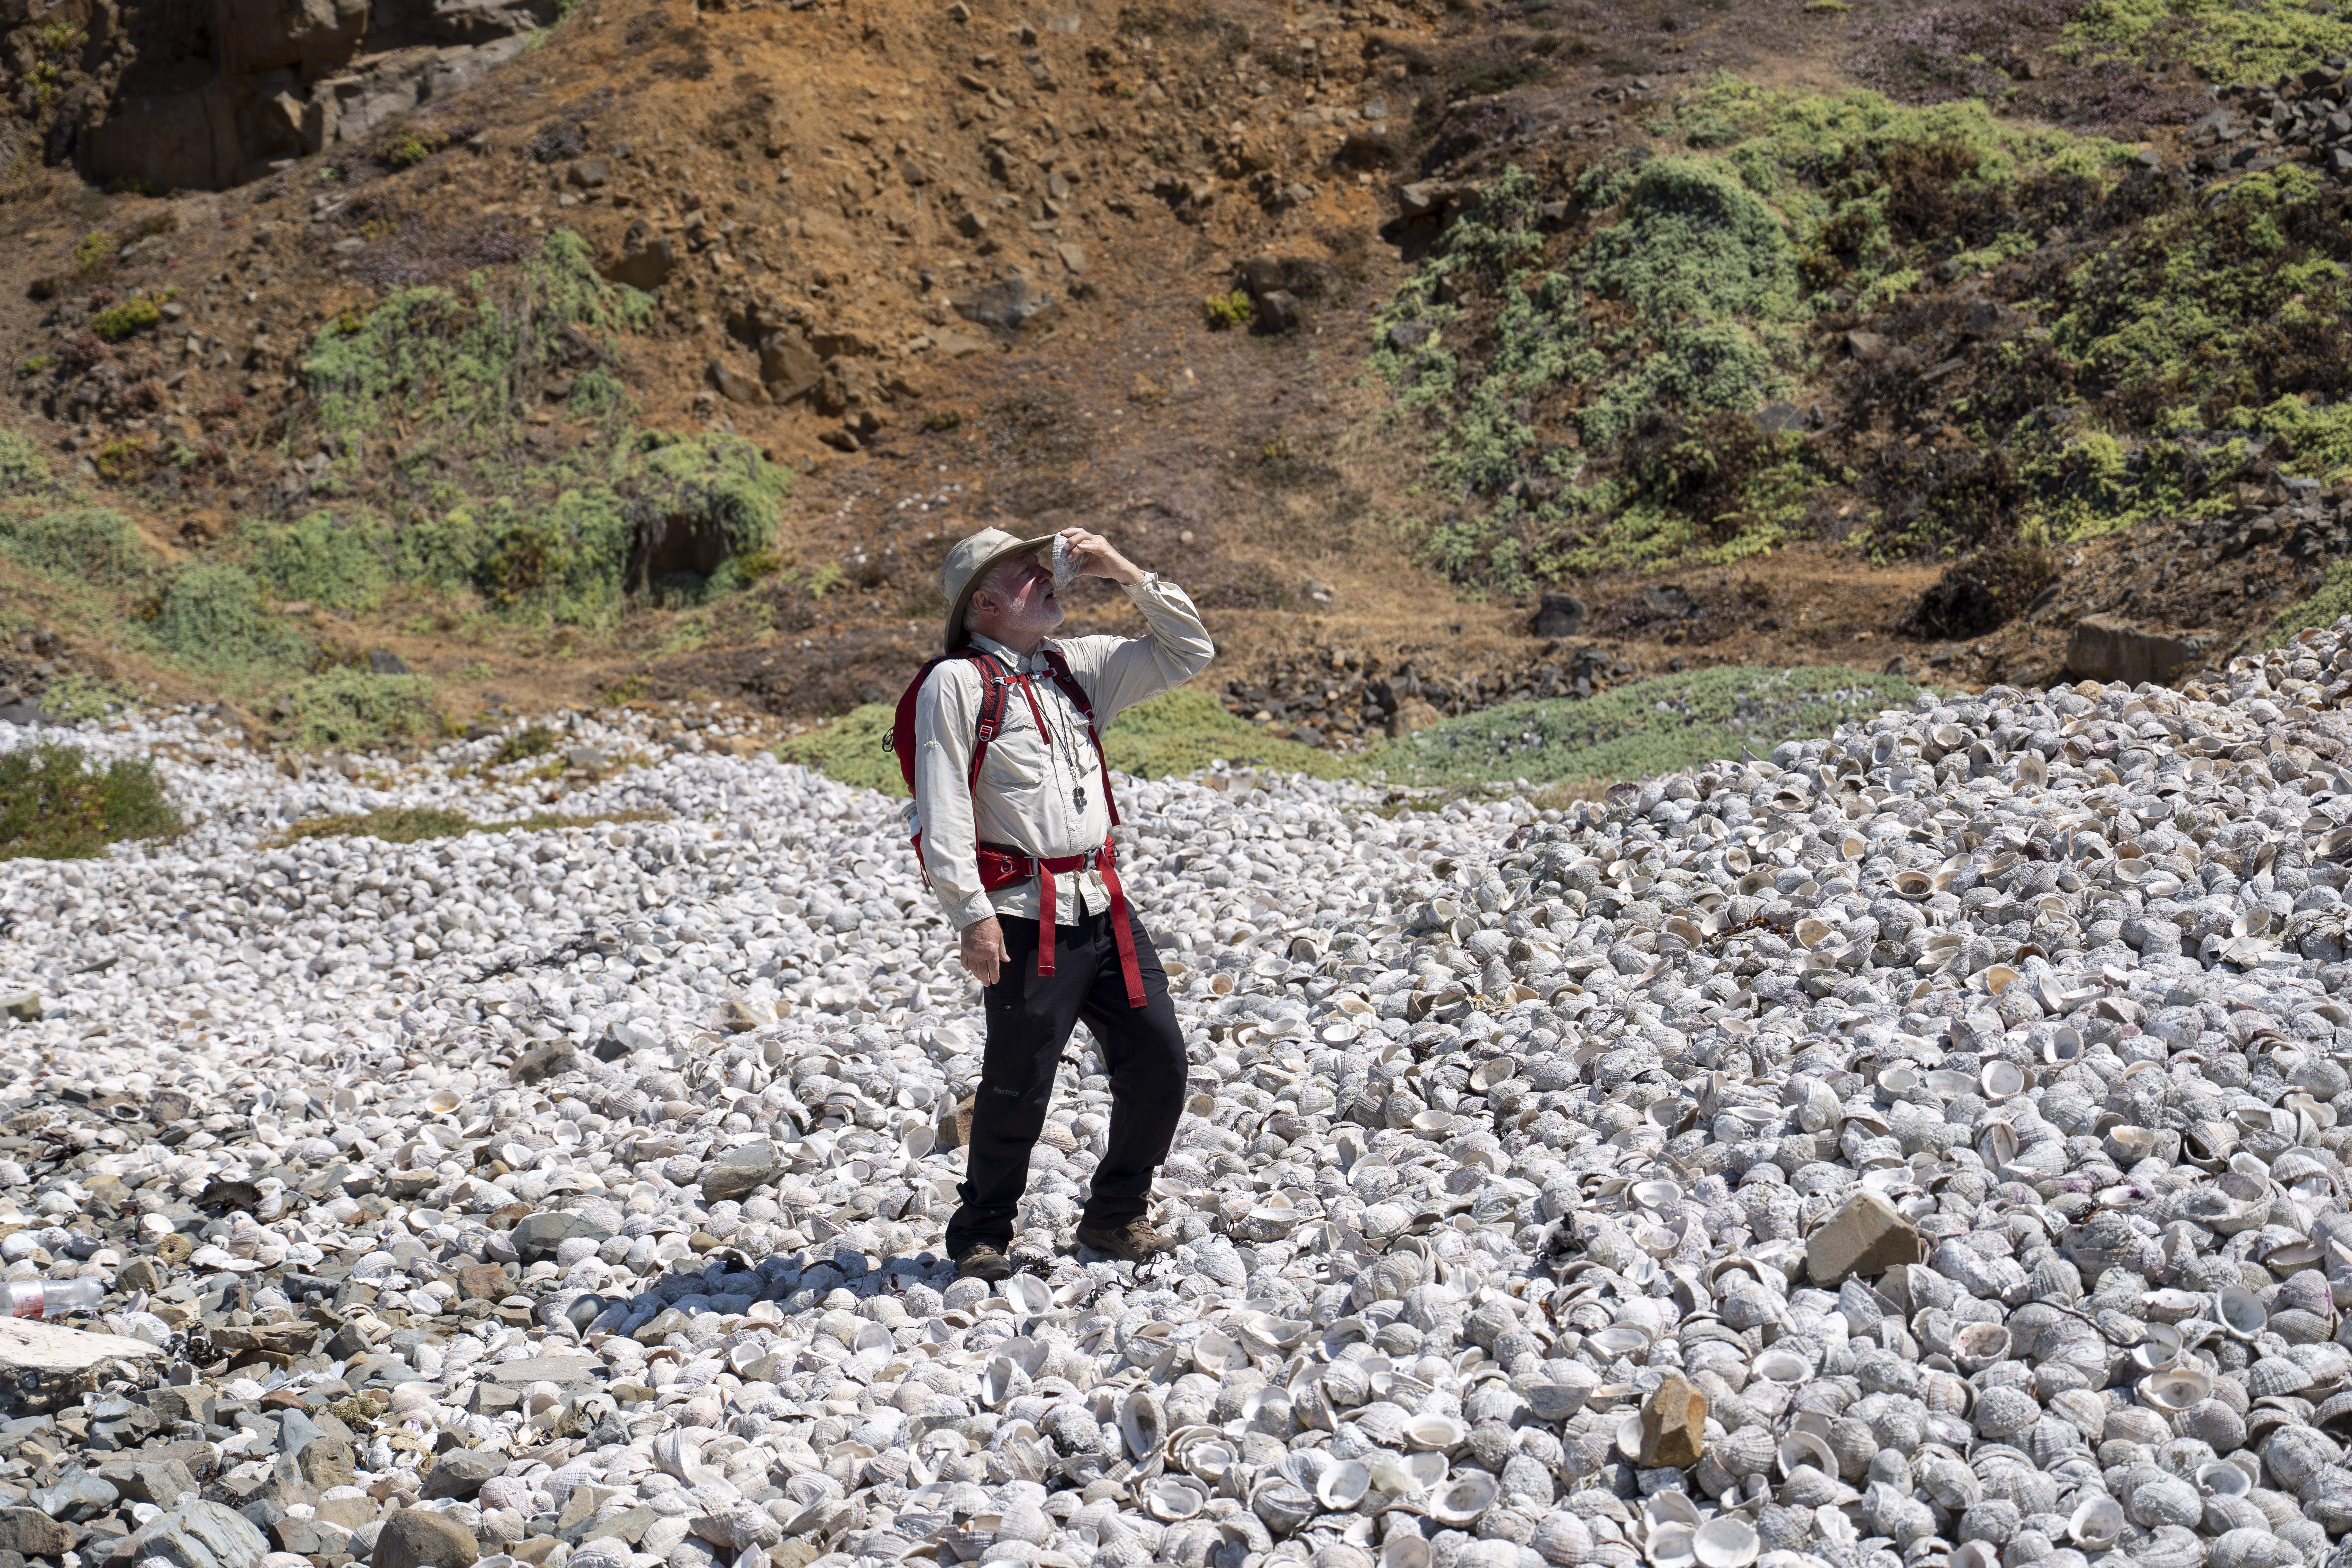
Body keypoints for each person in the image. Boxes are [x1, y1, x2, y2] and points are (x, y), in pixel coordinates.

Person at [912, 524, 1215, 1280]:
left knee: (1161, 1059)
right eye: (1023, 572)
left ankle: (1115, 1215)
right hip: (1020, 914)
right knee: (1019, 1082)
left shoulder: (1073, 667)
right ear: (985, 602)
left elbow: (1189, 652)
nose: (1046, 574)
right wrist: (971, 914)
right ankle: (982, 1232)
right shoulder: (955, 684)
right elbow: (939, 805)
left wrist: (1123, 568)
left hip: (1103, 902)